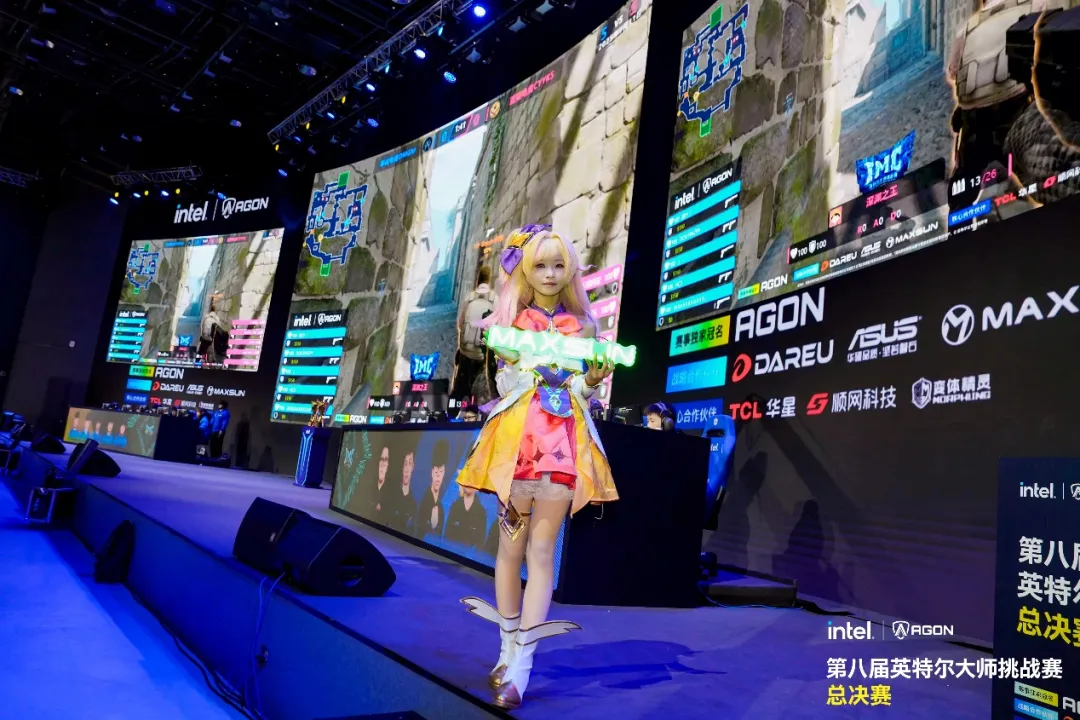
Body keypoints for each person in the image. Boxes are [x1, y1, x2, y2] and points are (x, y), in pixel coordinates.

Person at [456, 224, 618, 709]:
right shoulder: (509, 325)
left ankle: (522, 670)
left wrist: (591, 380)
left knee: (542, 553)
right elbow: (504, 389)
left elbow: (582, 392)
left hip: (561, 449)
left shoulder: (584, 329)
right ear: (525, 269)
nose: (549, 273)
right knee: (509, 551)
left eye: (558, 265)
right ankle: (506, 652)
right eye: (540, 265)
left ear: (570, 271)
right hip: (518, 446)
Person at [452, 266, 497, 403]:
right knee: (480, 393)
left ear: (478, 280)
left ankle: (452, 410)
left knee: (459, 389)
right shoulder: (495, 299)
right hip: (482, 355)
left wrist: (461, 347)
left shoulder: (469, 298)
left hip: (466, 352)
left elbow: (460, 324)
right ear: (489, 281)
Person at [417, 439, 451, 538]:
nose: (438, 477)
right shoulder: (423, 501)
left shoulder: (442, 505)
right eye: (436, 472)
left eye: (441, 472)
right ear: (432, 472)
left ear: (444, 473)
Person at [386, 437, 419, 535]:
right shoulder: (392, 496)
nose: (407, 469)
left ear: (413, 467)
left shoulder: (413, 504)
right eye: (405, 463)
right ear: (402, 467)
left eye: (410, 463)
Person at [446, 485, 487, 549]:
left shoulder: (481, 512)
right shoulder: (455, 507)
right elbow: (447, 535)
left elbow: (480, 544)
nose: (469, 484)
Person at [367, 446, 392, 523]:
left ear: (388, 465)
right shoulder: (370, 485)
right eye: (381, 459)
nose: (383, 463)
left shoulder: (390, 491)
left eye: (386, 459)